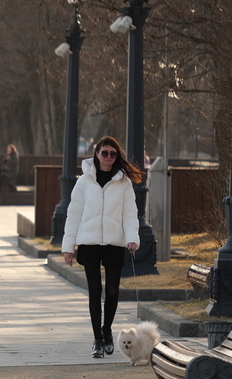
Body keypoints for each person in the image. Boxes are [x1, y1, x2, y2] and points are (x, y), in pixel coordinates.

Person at [62, 136, 141, 358]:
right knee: (95, 290)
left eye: (112, 154)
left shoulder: (124, 182)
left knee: (113, 291)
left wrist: (132, 237)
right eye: (104, 152)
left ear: (117, 156)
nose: (108, 157)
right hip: (89, 242)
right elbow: (73, 214)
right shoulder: (84, 181)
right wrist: (68, 247)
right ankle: (97, 339)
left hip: (115, 243)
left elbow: (130, 214)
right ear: (96, 153)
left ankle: (107, 332)